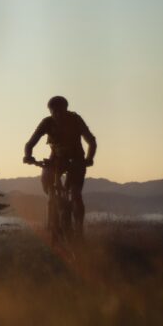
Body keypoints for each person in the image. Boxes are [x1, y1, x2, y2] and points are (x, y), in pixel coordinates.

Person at [23, 95, 97, 236]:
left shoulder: (75, 119)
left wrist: (89, 158)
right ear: (50, 111)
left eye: (60, 110)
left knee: (75, 194)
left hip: (76, 159)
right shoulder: (47, 122)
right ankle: (55, 205)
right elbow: (30, 143)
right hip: (56, 159)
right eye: (54, 111)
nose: (57, 114)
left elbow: (91, 141)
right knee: (47, 181)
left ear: (66, 109)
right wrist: (28, 155)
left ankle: (79, 230)